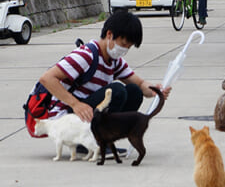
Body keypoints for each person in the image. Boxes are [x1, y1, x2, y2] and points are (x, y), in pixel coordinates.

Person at [38, 10, 170, 124]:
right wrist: (75, 104)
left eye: (128, 48)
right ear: (109, 35)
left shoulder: (115, 61)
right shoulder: (86, 55)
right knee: (116, 91)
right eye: (123, 44)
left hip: (88, 113)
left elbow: (140, 84)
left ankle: (105, 140)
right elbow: (47, 78)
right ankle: (86, 142)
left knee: (134, 91)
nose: (124, 50)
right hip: (68, 117)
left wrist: (155, 91)